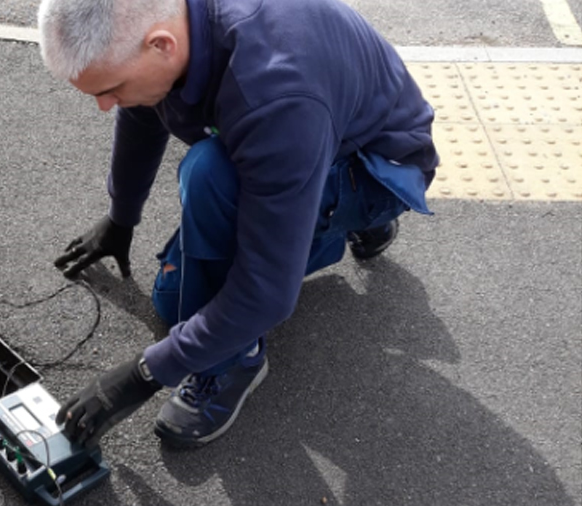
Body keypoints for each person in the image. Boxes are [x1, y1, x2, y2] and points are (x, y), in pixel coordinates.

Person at [38, 0, 438, 448]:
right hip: (315, 132)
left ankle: (236, 360)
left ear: (161, 46)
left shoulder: (274, 94)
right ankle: (319, 225)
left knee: (210, 175)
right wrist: (121, 215)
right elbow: (142, 109)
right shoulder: (168, 26)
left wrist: (141, 375)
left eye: (109, 88)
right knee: (174, 305)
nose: (102, 106)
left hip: (378, 166)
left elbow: (266, 293)